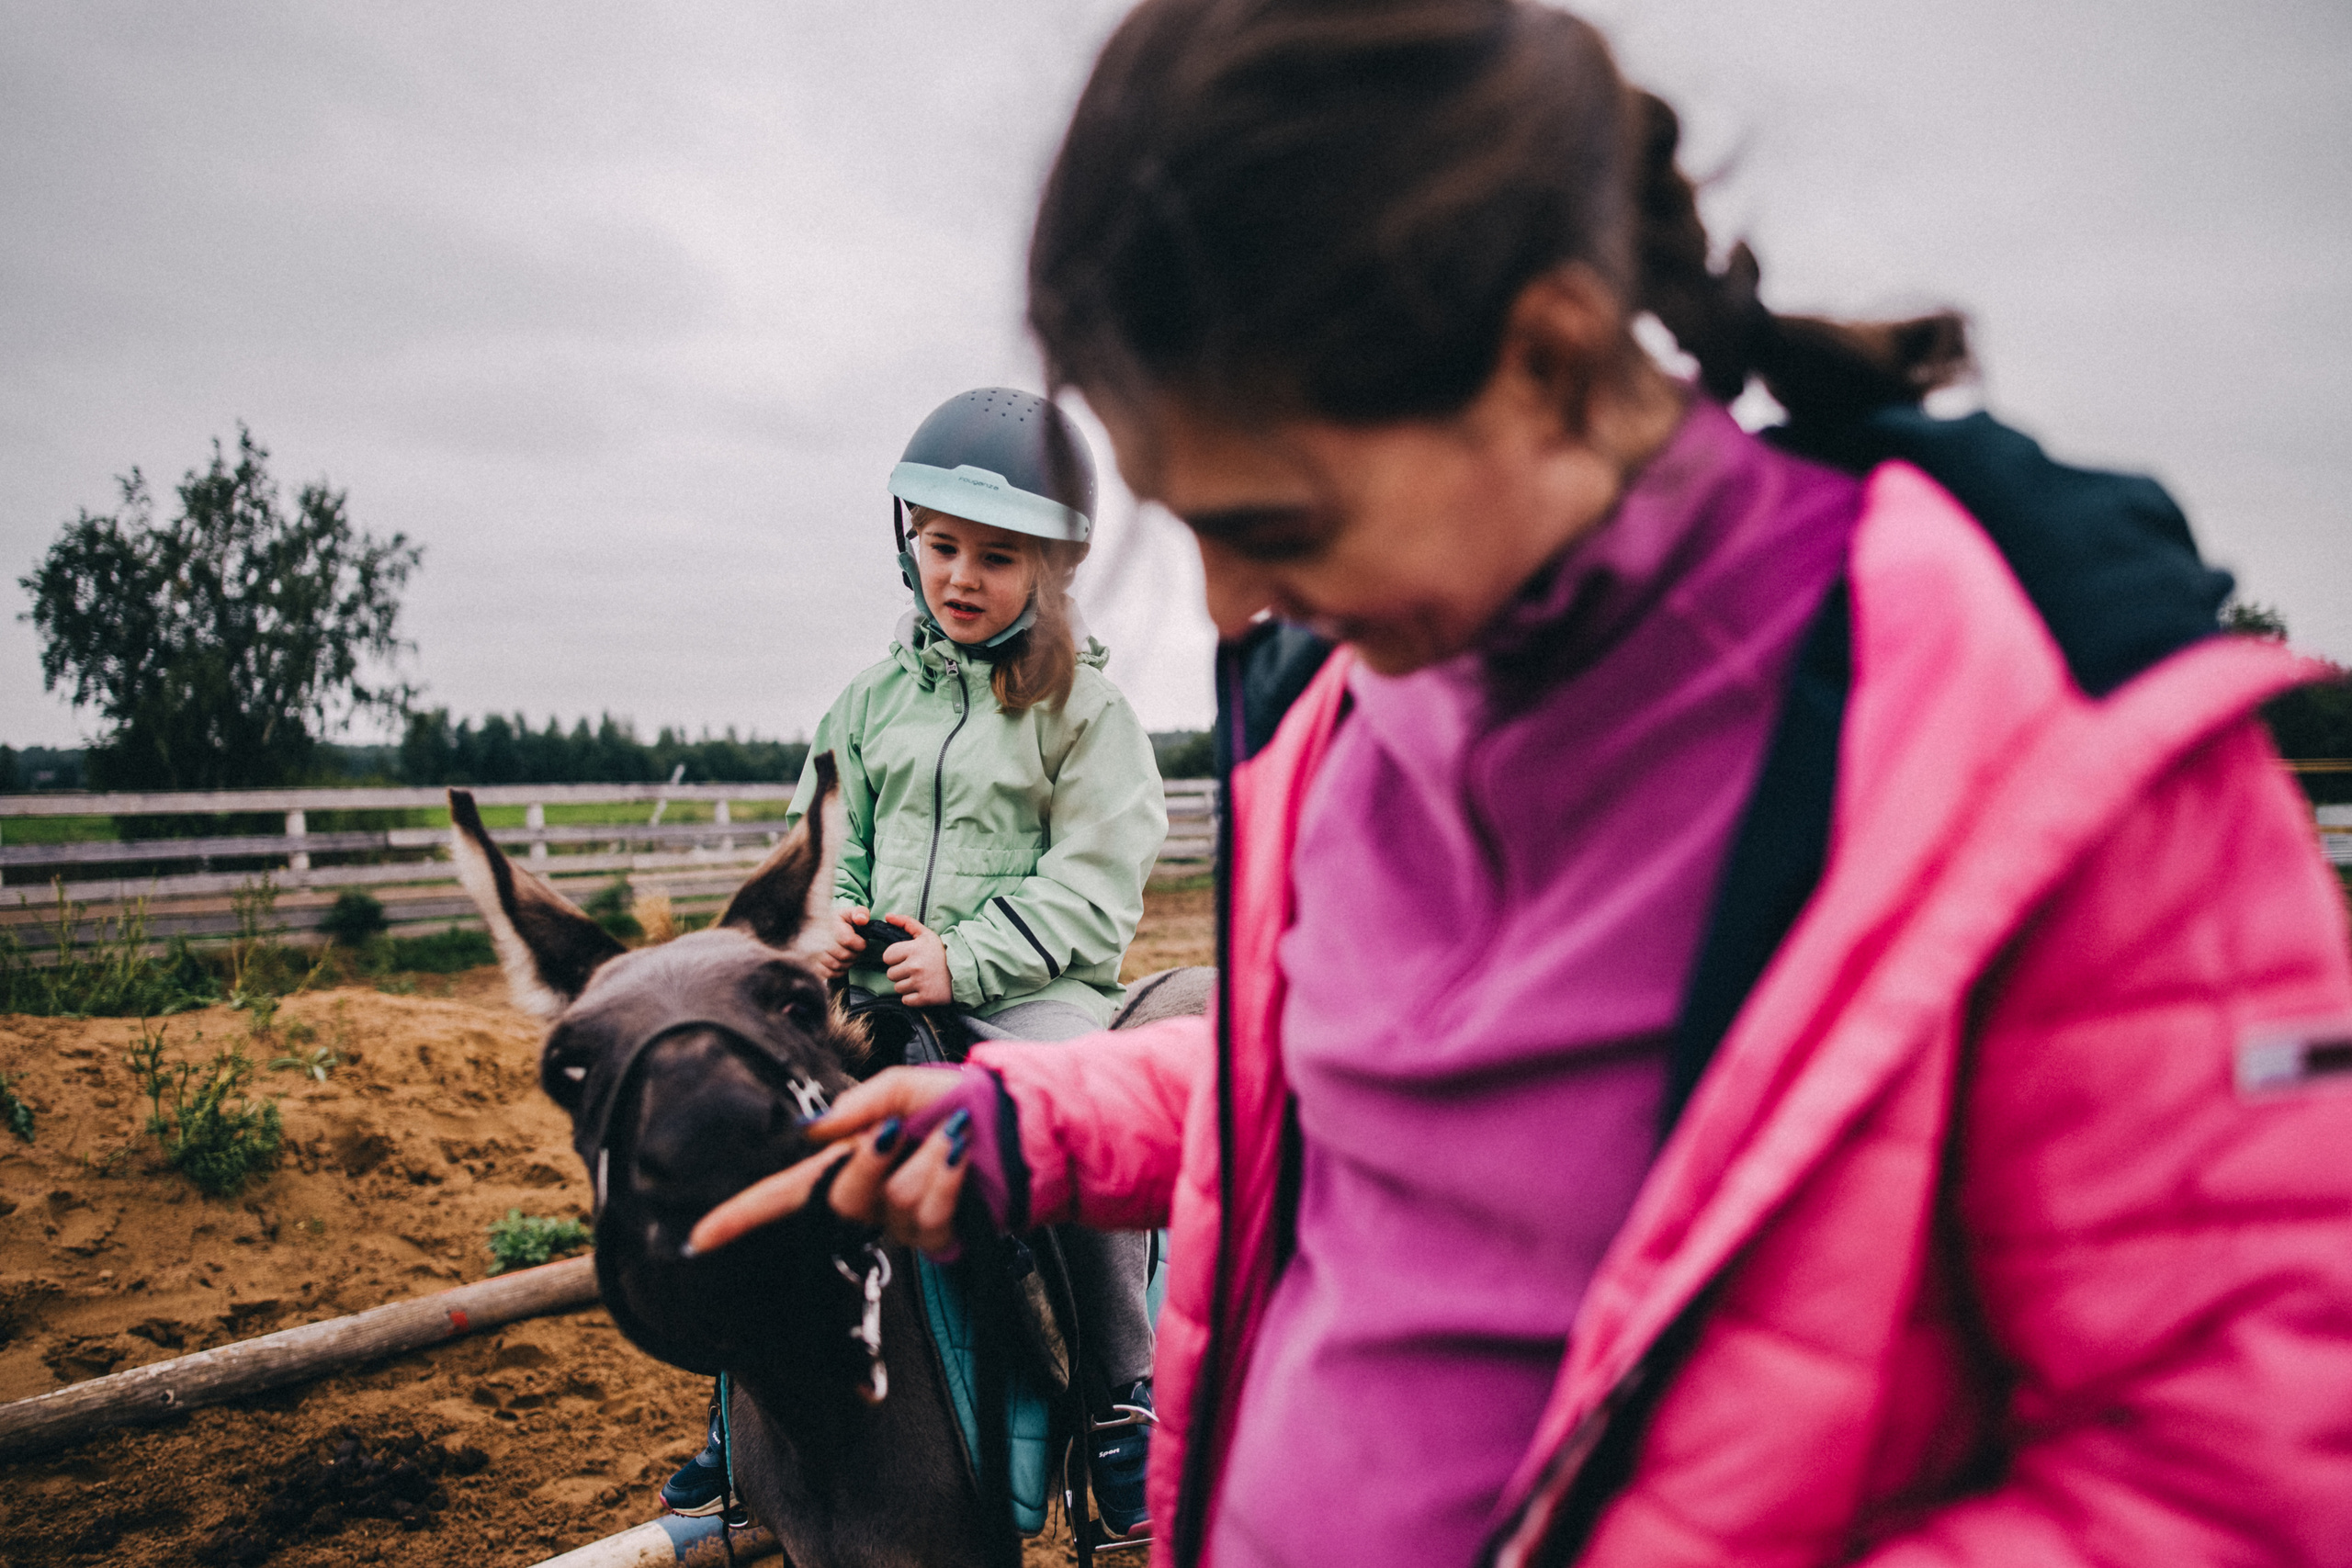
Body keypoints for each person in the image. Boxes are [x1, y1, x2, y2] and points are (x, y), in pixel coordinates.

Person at [692, 4, 2352, 1564]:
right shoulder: (1358, 701)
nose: (1221, 610)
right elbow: (1352, 1087)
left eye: (1288, 522)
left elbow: (2239, 1474)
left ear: (1550, 360)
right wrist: (1035, 1118)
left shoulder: (2040, 738)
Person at [659, 387, 1169, 1537]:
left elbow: (1098, 877)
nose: (961, 576)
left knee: (1071, 1123)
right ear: (907, 542)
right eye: (940, 546)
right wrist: (824, 924)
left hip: (1029, 993)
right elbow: (824, 840)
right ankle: (742, 1417)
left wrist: (970, 958)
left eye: (997, 556)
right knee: (762, 1135)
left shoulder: (1085, 713)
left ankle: (1117, 1403)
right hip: (873, 991)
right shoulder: (869, 703)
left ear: (1054, 568)